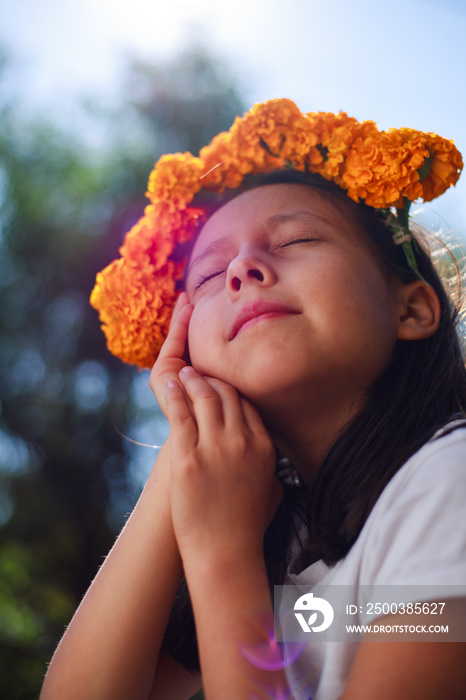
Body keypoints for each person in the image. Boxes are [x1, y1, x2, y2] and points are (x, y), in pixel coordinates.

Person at [40, 99, 466, 700]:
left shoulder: (450, 478)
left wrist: (221, 556)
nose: (242, 268)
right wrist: (188, 446)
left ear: (413, 308)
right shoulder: (289, 551)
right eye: (209, 278)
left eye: (297, 238)